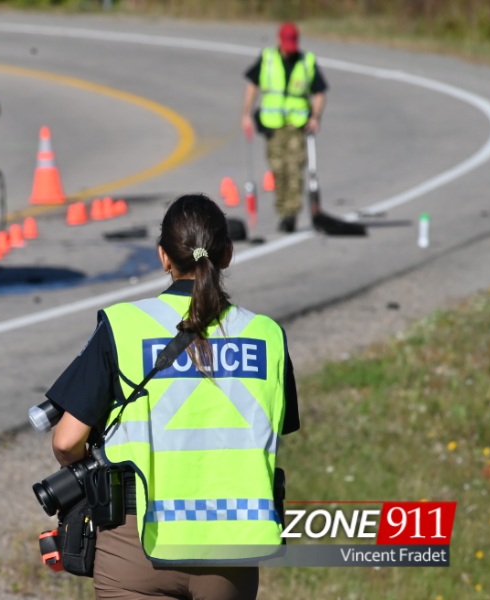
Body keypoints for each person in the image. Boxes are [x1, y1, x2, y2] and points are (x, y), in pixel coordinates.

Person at [45, 194, 300, 600]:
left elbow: (66, 440)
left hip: (138, 541)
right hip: (233, 544)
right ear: (228, 254)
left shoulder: (124, 326)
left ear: (164, 257)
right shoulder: (267, 335)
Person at [241, 22, 328, 233]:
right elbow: (252, 86)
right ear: (280, 40)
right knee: (278, 170)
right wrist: (246, 114)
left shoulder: (306, 62)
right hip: (273, 126)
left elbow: (320, 92)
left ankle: (291, 214)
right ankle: (282, 210)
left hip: (297, 127)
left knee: (294, 169)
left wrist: (315, 117)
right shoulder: (268, 58)